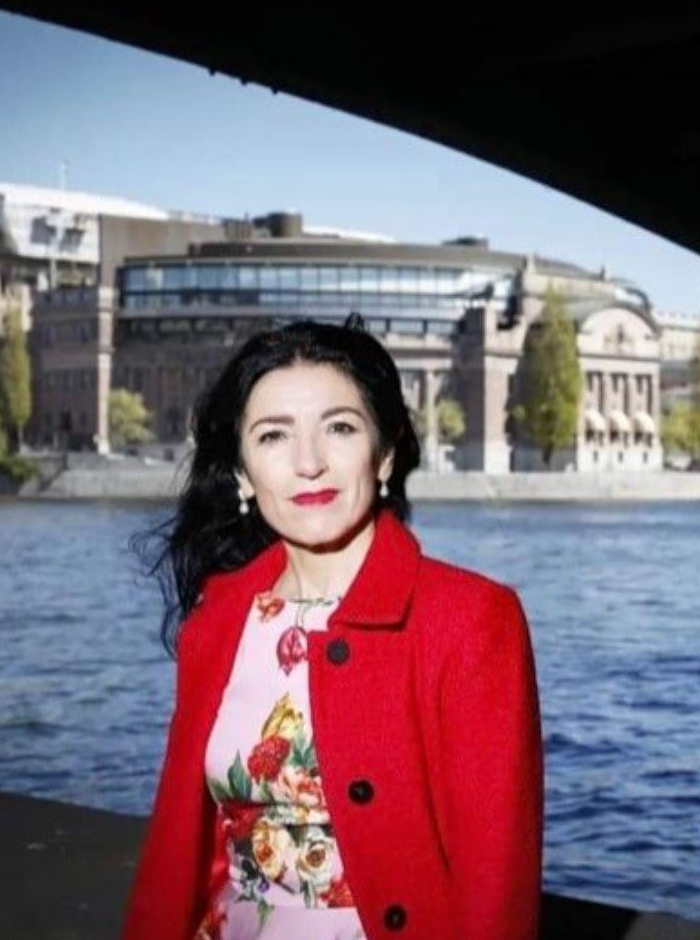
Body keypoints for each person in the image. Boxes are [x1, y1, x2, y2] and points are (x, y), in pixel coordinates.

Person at [124, 317, 543, 940]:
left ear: (386, 452)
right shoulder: (218, 617)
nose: (309, 463)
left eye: (339, 428)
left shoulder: (471, 620)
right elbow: (176, 848)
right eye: (273, 436)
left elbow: (497, 887)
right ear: (242, 472)